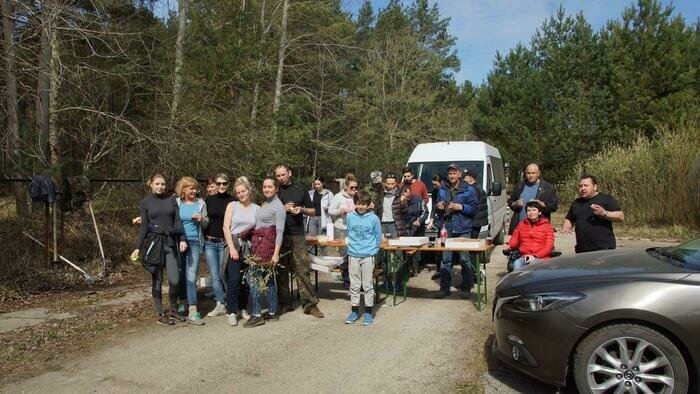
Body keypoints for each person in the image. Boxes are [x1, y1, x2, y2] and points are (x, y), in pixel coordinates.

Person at [131, 173, 187, 326]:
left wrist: (182, 239)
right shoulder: (145, 202)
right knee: (157, 279)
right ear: (151, 184)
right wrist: (137, 247)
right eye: (157, 184)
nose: (160, 187)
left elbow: (178, 222)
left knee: (175, 279)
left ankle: (174, 309)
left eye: (162, 184)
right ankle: (160, 313)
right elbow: (144, 226)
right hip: (154, 244)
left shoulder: (172, 200)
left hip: (170, 243)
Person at [274, 163, 324, 318]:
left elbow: (313, 211)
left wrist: (301, 209)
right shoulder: (274, 191)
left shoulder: (300, 189)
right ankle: (284, 304)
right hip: (279, 235)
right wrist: (282, 208)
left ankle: (310, 304)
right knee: (281, 270)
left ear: (289, 173)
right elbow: (266, 211)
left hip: (297, 235)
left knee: (302, 270)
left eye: (283, 174)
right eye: (278, 175)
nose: (281, 178)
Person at [243, 177, 285, 328]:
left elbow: (280, 231)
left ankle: (256, 314)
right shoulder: (266, 203)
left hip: (267, 246)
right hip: (259, 243)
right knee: (268, 279)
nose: (266, 189)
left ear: (276, 189)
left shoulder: (278, 206)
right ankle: (273, 312)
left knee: (253, 278)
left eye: (270, 187)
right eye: (264, 187)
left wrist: (275, 253)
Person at [434, 163, 478, 299]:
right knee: (446, 259)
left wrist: (462, 207)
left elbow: (475, 208)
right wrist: (438, 206)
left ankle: (466, 288)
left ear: (460, 174)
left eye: (454, 173)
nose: (452, 176)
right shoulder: (442, 188)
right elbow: (437, 206)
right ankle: (444, 288)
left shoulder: (468, 189)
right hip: (447, 227)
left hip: (463, 228)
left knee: (465, 260)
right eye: (450, 173)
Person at [222, 176, 258, 326]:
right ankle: (231, 311)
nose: (241, 194)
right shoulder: (232, 205)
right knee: (234, 280)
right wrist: (231, 248)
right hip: (234, 244)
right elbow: (226, 228)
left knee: (246, 282)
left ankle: (242, 307)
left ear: (249, 191)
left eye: (243, 191)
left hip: (249, 247)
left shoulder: (257, 208)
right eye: (238, 192)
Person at [175, 176, 209, 325]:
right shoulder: (176, 203)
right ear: (183, 190)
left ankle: (193, 310)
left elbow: (207, 223)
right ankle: (182, 304)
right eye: (191, 188)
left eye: (196, 188)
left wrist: (202, 219)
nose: (194, 191)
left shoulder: (201, 203)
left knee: (191, 276)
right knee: (178, 275)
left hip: (194, 242)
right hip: (177, 242)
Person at [344, 190, 381, 326]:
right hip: (353, 255)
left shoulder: (374, 218)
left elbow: (378, 236)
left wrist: (374, 251)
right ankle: (354, 311)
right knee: (354, 284)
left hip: (368, 256)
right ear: (355, 204)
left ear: (368, 205)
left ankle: (368, 312)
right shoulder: (350, 217)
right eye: (358, 204)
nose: (360, 207)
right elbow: (350, 232)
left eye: (363, 204)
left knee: (367, 285)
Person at [562, 175, 624, 253]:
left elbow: (621, 216)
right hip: (582, 249)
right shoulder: (576, 203)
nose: (583, 188)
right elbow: (569, 218)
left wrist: (604, 213)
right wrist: (566, 226)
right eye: (580, 186)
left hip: (603, 248)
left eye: (586, 185)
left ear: (595, 187)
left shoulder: (606, 199)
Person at [203, 173, 235, 317]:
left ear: (228, 185)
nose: (221, 186)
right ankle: (220, 303)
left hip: (224, 243)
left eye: (224, 183)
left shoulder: (232, 201)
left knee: (224, 274)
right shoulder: (208, 200)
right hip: (210, 242)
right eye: (219, 183)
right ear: (215, 184)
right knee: (215, 275)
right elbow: (204, 220)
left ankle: (231, 302)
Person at [328, 173, 360, 288]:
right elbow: (330, 210)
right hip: (341, 228)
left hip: (354, 229)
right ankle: (347, 280)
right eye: (352, 187)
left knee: (355, 255)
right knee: (345, 256)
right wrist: (339, 211)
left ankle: (355, 280)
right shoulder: (338, 196)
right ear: (346, 186)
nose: (354, 189)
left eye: (356, 187)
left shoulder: (357, 196)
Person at [507, 163, 558, 234]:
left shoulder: (548, 188)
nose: (530, 176)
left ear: (538, 173)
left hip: (539, 229)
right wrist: (515, 204)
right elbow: (510, 201)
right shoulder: (520, 185)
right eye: (528, 173)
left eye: (533, 173)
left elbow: (554, 206)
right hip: (521, 228)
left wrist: (542, 205)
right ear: (525, 173)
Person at [504, 201, 555, 271]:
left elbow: (549, 247)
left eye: (534, 210)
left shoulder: (547, 227)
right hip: (525, 256)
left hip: (541, 257)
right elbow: (515, 238)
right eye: (529, 210)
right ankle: (518, 281)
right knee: (517, 264)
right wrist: (509, 245)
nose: (531, 213)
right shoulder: (521, 224)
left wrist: (535, 256)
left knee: (533, 265)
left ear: (539, 212)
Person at [372, 172, 408, 238]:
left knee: (394, 245)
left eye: (392, 184)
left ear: (396, 183)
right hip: (382, 223)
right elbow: (377, 209)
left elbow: (405, 212)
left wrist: (403, 203)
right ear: (385, 183)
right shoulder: (381, 194)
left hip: (394, 224)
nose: (390, 186)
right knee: (382, 245)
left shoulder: (400, 195)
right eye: (388, 184)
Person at [463, 170, 488, 239]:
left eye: (465, 178)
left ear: (471, 178)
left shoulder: (474, 189)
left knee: (471, 242)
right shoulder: (476, 187)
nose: (464, 180)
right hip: (476, 220)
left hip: (475, 221)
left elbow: (471, 204)